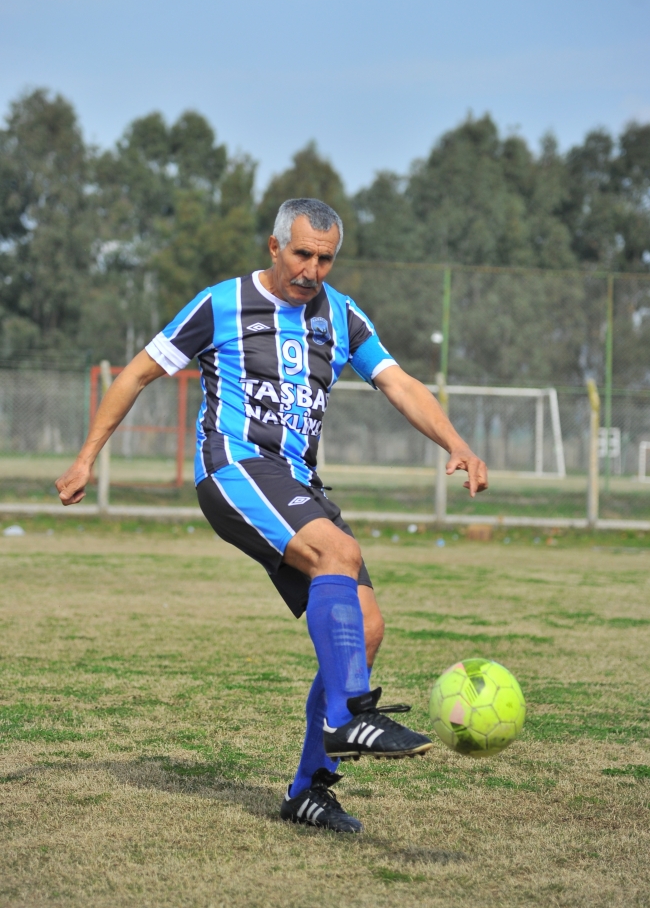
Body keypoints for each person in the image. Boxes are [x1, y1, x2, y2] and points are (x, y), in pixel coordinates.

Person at [56, 197, 488, 835]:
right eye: (302, 254)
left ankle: (310, 790)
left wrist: (456, 442)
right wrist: (86, 458)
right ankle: (347, 718)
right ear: (274, 247)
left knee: (365, 630)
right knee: (336, 558)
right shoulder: (220, 303)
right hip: (235, 471)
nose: (313, 269)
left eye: (326, 258)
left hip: (299, 484)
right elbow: (138, 374)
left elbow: (398, 382)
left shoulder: (339, 315)